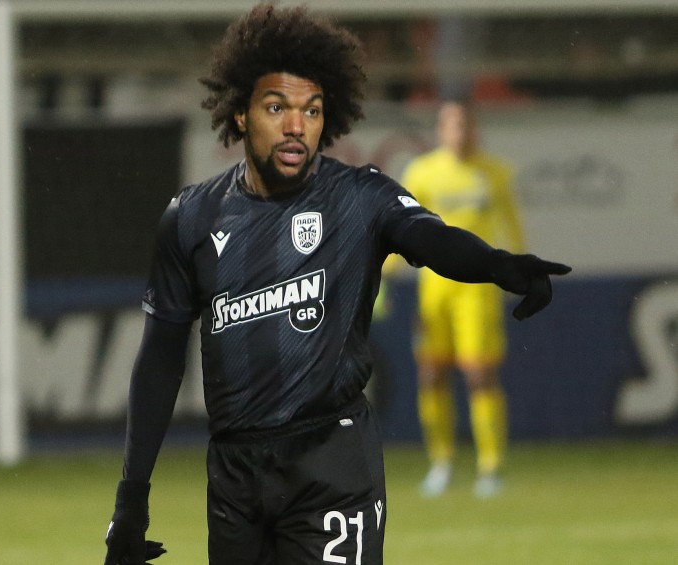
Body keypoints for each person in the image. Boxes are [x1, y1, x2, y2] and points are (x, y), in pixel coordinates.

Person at [103, 5, 570, 564]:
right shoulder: (190, 219)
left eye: (312, 110)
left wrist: (495, 264)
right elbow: (159, 361)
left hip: (331, 464)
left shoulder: (359, 198)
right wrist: (131, 499)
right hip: (235, 477)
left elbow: (430, 237)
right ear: (242, 115)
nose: (296, 125)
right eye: (277, 107)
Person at [400, 101, 526, 498]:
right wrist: (382, 274)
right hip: (434, 292)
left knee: (479, 374)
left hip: (477, 291)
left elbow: (512, 227)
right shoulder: (422, 173)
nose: (460, 132)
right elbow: (401, 229)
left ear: (475, 129)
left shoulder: (495, 173)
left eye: (466, 124)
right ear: (441, 130)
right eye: (452, 124)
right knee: (431, 373)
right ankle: (441, 462)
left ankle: (490, 465)